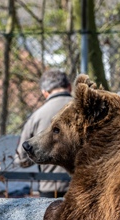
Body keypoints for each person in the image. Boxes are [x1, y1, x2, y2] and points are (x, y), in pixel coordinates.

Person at [16, 69, 73, 197]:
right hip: (83, 187)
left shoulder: (36, 116)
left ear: (45, 93)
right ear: (69, 87)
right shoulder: (86, 111)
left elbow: (22, 159)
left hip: (51, 188)